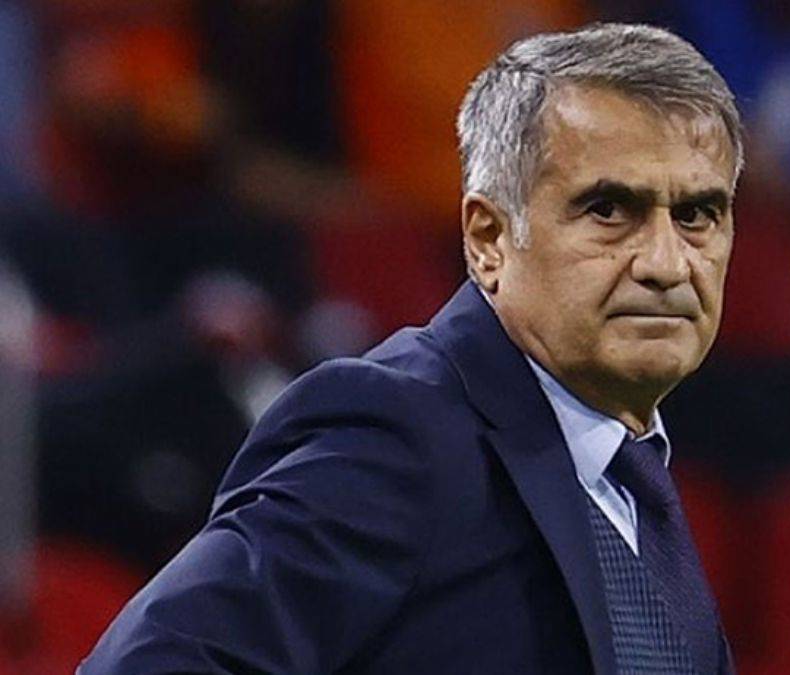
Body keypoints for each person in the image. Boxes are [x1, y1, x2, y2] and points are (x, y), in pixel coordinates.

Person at [81, 22, 743, 674]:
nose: (666, 263)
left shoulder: (631, 475)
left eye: (697, 214)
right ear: (488, 238)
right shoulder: (401, 433)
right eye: (608, 210)